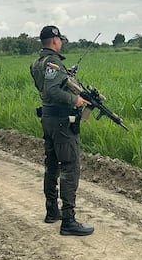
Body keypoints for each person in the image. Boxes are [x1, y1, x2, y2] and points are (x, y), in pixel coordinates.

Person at [30, 25, 94, 236]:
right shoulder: (53, 62)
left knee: (51, 164)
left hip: (48, 117)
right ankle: (68, 220)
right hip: (60, 120)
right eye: (61, 40)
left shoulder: (37, 63)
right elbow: (52, 90)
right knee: (69, 167)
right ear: (55, 41)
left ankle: (52, 210)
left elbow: (46, 88)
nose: (61, 43)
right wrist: (74, 98)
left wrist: (67, 78)